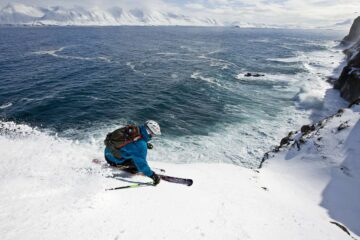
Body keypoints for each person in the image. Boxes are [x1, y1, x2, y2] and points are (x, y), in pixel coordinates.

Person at [104, 120, 161, 185]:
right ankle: (121, 166)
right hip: (113, 160)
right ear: (149, 132)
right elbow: (142, 165)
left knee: (134, 155)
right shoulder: (141, 145)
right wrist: (153, 176)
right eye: (153, 134)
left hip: (108, 152)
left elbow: (130, 143)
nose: (153, 136)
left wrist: (146, 144)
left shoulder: (134, 130)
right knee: (137, 167)